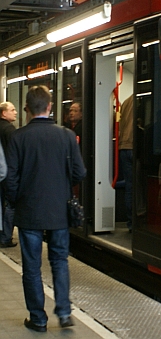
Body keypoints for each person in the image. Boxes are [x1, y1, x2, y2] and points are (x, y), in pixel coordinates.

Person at [5, 86, 86, 333]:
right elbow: (79, 173)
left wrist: (17, 199)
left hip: (29, 212)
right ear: (50, 107)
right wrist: (61, 186)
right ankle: (63, 313)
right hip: (59, 210)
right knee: (59, 261)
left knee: (31, 267)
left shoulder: (18, 137)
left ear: (27, 109)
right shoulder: (66, 136)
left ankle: (38, 319)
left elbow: (10, 178)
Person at [0, 101, 17, 248]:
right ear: (4, 113)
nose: (16, 112)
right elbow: (13, 153)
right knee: (10, 205)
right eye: (12, 110)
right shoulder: (9, 129)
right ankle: (5, 237)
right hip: (6, 173)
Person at [119, 95, 133, 232]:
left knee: (130, 186)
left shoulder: (126, 101)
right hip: (136, 146)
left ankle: (131, 223)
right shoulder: (143, 97)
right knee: (139, 187)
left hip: (124, 146)